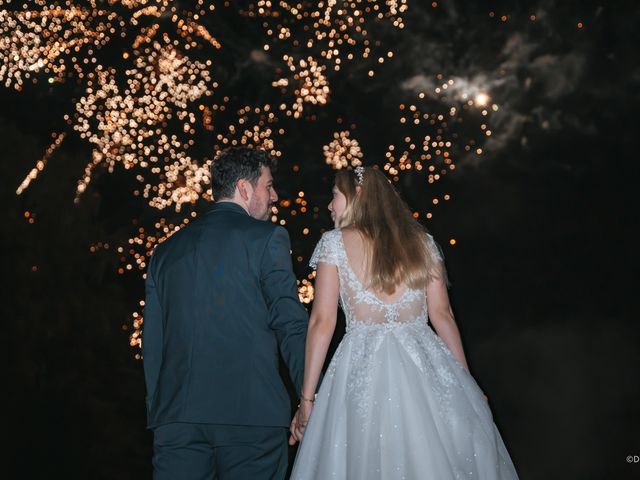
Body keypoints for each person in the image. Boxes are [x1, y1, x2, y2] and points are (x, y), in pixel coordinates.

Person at [289, 166, 518, 479]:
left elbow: (322, 321)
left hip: (359, 368)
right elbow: (443, 315)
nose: (329, 206)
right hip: (425, 364)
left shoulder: (333, 244)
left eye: (335, 196)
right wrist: (466, 383)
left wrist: (306, 397)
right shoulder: (422, 242)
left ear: (358, 196)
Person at [142, 147, 308, 480]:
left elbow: (153, 343)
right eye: (268, 185)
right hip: (252, 416)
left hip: (176, 419)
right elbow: (290, 323)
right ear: (245, 189)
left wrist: (160, 411)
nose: (274, 196)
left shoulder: (166, 251)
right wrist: (308, 396)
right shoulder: (268, 239)